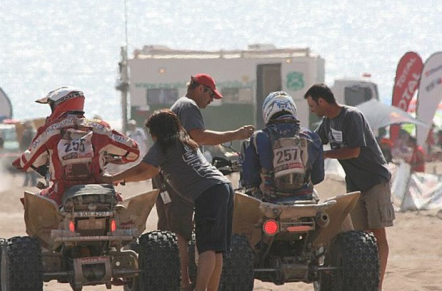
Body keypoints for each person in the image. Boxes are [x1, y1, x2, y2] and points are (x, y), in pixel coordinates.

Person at [101, 109, 234, 291]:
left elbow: (143, 168)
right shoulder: (185, 142)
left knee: (207, 248)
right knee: (217, 249)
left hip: (208, 192)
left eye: (151, 133)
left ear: (157, 132)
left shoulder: (162, 146)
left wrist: (112, 179)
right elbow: (151, 172)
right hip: (223, 186)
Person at [154, 73, 254, 290]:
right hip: (179, 179)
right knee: (181, 232)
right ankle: (184, 282)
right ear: (200, 89)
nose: (211, 100)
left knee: (184, 233)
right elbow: (198, 136)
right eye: (211, 95)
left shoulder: (182, 106)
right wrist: (235, 134)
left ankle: (186, 281)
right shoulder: (188, 105)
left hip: (181, 179)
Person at [304, 83, 394, 290]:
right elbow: (314, 141)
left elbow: (354, 151)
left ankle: (377, 284)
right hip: (355, 184)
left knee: (378, 234)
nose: (312, 110)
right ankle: (367, 282)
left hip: (374, 181)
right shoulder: (327, 122)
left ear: (321, 101)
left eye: (312, 106)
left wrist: (323, 155)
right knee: (363, 238)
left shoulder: (352, 116)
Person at [12, 87, 140, 204]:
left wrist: (18, 162)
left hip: (60, 194)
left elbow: (27, 161)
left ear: (58, 105)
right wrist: (116, 160)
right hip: (101, 191)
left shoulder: (49, 131)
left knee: (31, 204)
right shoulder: (100, 128)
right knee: (119, 208)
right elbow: (134, 151)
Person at [241, 91, 324, 203]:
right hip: (305, 201)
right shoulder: (312, 137)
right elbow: (318, 177)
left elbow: (249, 178)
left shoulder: (259, 137)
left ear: (267, 111)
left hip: (270, 203)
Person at [19, 121, 38, 187]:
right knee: (30, 166)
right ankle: (32, 182)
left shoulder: (29, 132)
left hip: (28, 151)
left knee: (28, 166)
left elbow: (27, 142)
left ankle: (29, 182)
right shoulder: (32, 131)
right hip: (30, 151)